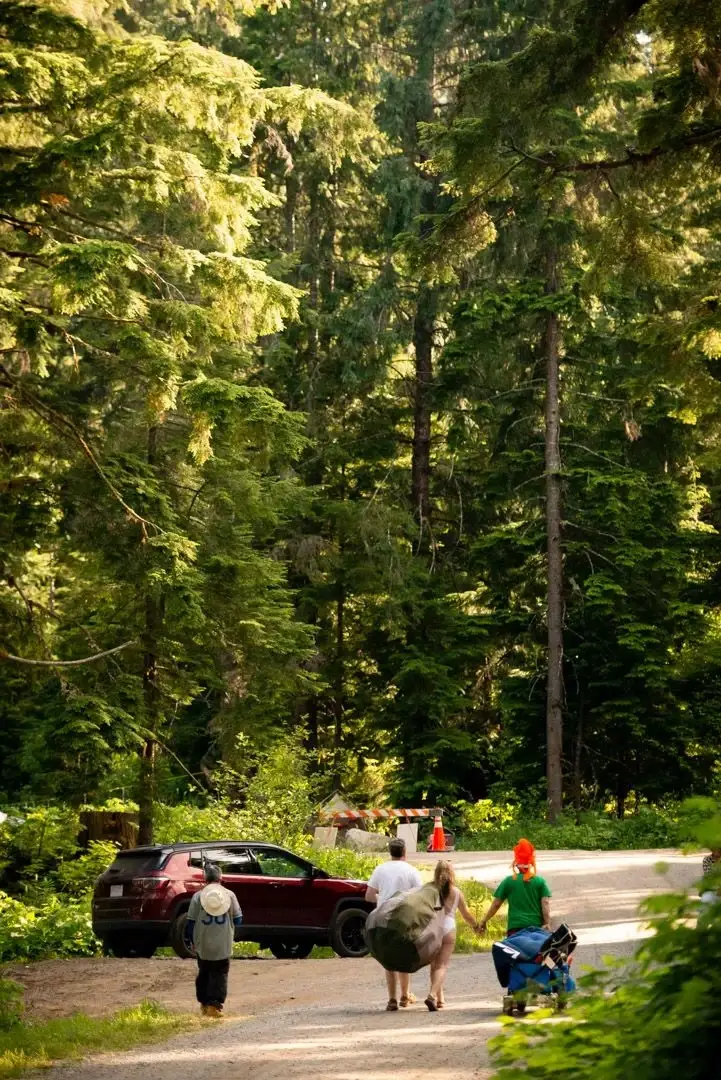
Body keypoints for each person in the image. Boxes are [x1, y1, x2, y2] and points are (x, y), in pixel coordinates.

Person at [365, 836, 423, 1010]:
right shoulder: (411, 871)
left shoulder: (380, 870)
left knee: (388, 959)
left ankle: (392, 999)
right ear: (404, 852)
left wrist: (382, 898)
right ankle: (405, 996)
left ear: (390, 852)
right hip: (404, 918)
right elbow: (420, 896)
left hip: (383, 919)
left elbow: (368, 896)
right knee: (404, 956)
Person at [185, 863, 242, 1018]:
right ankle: (215, 1005)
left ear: (205, 880)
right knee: (220, 973)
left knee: (204, 971)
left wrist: (191, 939)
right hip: (223, 941)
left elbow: (190, 921)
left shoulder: (198, 896)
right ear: (220, 878)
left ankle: (204, 1003)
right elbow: (238, 919)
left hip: (202, 942)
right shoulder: (229, 895)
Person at [425, 860, 481, 1011]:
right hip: (449, 927)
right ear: (451, 874)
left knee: (434, 965)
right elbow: (466, 914)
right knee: (442, 965)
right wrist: (476, 926)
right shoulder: (456, 893)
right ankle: (433, 996)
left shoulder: (430, 889)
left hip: (433, 927)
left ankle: (439, 998)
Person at [477, 839, 552, 936]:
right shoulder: (540, 881)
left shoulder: (509, 881)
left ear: (516, 863)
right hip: (536, 928)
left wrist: (484, 921)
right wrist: (547, 923)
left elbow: (496, 904)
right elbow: (545, 903)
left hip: (515, 929)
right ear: (531, 862)